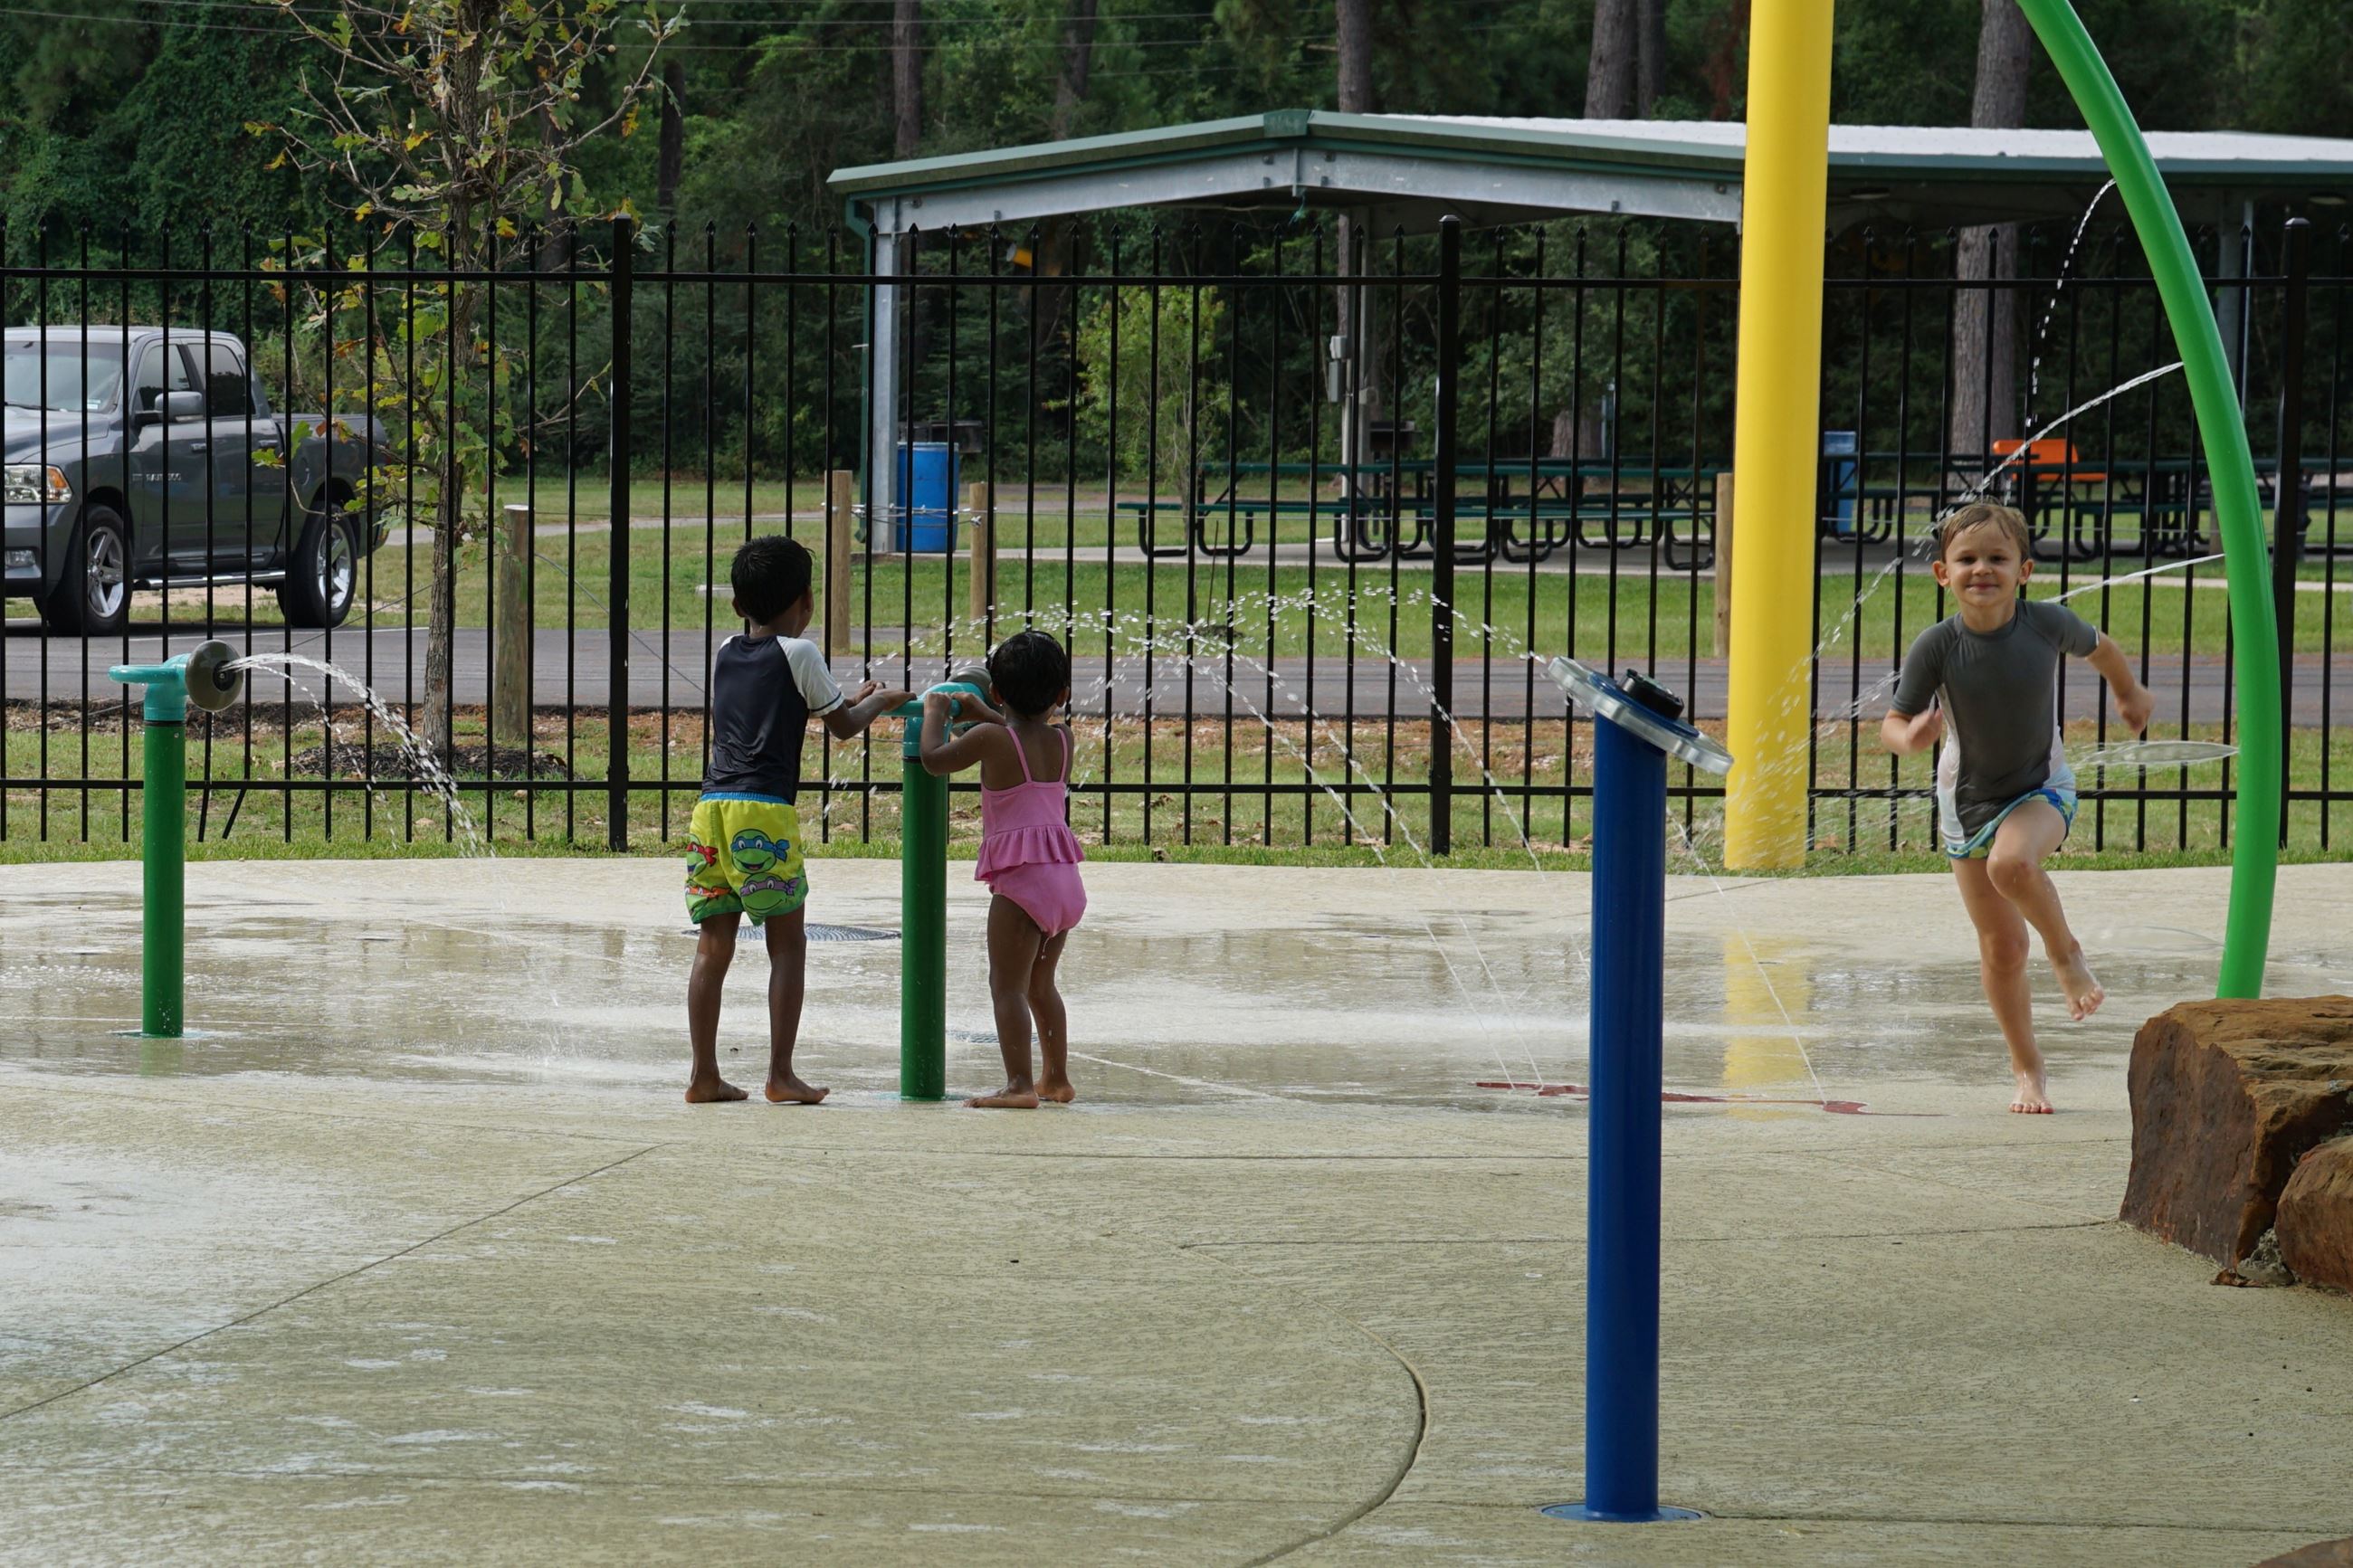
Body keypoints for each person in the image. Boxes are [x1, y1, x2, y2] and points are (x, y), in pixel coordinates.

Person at [1882, 501, 2154, 1115]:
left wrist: (2130, 692)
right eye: (1967, 558)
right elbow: (1892, 726)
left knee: (2013, 865)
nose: (1983, 568)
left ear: (2024, 569)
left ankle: (2066, 954)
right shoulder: (1937, 646)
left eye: (1997, 558)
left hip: (2041, 788)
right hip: (1967, 803)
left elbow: (2103, 648)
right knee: (2001, 949)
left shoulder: (2046, 623)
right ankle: (2027, 1068)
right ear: (1942, 573)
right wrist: (1911, 737)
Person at [683, 536, 910, 1105]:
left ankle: (704, 1076)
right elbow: (843, 726)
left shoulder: (725, 650)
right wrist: (878, 701)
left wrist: (843, 696)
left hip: (712, 811)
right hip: (765, 812)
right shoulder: (802, 652)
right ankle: (780, 1075)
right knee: (787, 946)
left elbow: (787, 702)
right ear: (807, 602)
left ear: (738, 605)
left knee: (714, 946)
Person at [918, 629, 1087, 1109]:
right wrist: (989, 715)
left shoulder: (990, 739)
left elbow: (933, 760)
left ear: (994, 690)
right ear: (1062, 694)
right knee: (1040, 983)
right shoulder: (1063, 739)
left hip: (1021, 883)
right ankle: (1055, 1078)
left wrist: (934, 712)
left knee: (1005, 986)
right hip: (1063, 881)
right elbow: (1019, 735)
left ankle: (1018, 1085)